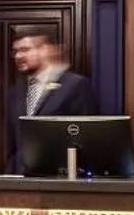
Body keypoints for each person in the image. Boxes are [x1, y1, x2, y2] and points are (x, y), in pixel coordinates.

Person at [9, 32, 98, 171]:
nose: (18, 56)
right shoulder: (17, 92)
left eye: (25, 49)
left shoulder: (75, 85)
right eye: (15, 52)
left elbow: (87, 138)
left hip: (60, 180)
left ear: (45, 50)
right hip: (22, 181)